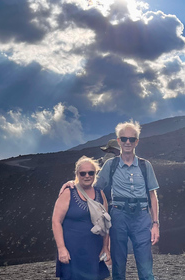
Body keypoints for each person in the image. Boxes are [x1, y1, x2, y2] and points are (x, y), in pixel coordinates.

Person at [60, 120, 160, 280]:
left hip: (142, 218)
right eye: (124, 139)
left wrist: (155, 224)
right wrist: (74, 183)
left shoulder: (145, 166)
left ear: (137, 142)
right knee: (118, 267)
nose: (128, 142)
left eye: (132, 139)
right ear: (119, 141)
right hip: (118, 216)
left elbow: (152, 196)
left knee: (146, 269)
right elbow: (93, 184)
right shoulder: (110, 165)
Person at [52, 156, 111, 280]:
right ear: (77, 174)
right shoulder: (68, 193)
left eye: (91, 172)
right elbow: (56, 221)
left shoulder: (100, 193)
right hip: (72, 251)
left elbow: (105, 223)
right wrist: (61, 249)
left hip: (94, 251)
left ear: (95, 174)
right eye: (83, 173)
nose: (87, 176)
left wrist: (105, 247)